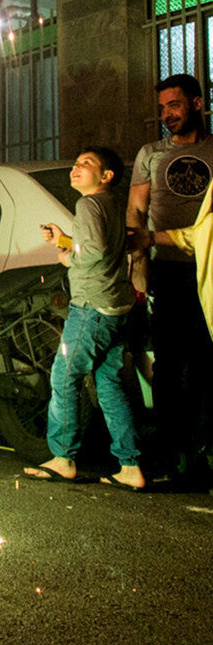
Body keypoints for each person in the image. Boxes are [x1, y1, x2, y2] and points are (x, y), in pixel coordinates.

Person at [24, 147, 145, 491]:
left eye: (86, 164)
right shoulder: (112, 203)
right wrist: (63, 239)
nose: (76, 168)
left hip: (91, 308)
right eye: (76, 163)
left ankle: (62, 458)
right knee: (109, 385)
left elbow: (92, 252)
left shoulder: (89, 204)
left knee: (64, 377)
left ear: (105, 176)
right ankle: (130, 465)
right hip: (116, 306)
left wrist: (67, 260)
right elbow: (101, 244)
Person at [126, 73, 213, 481]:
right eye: (162, 108)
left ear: (196, 103)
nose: (167, 115)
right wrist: (139, 263)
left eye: (174, 105)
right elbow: (135, 213)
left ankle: (198, 450)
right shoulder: (151, 153)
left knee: (204, 363)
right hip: (169, 270)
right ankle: (167, 451)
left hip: (208, 269)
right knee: (168, 362)